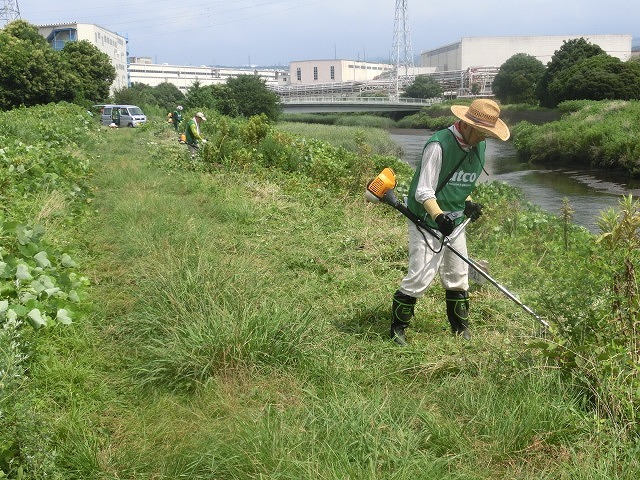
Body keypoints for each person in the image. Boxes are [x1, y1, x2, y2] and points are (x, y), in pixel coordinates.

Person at [390, 98, 510, 345]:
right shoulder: (439, 145)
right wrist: (438, 216)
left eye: (489, 133)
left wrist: (468, 203)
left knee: (458, 275)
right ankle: (397, 329)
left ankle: (460, 328)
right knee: (421, 276)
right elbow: (424, 191)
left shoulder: (479, 146)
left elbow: (460, 182)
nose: (485, 138)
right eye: (482, 132)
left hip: (453, 220)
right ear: (467, 125)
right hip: (426, 218)